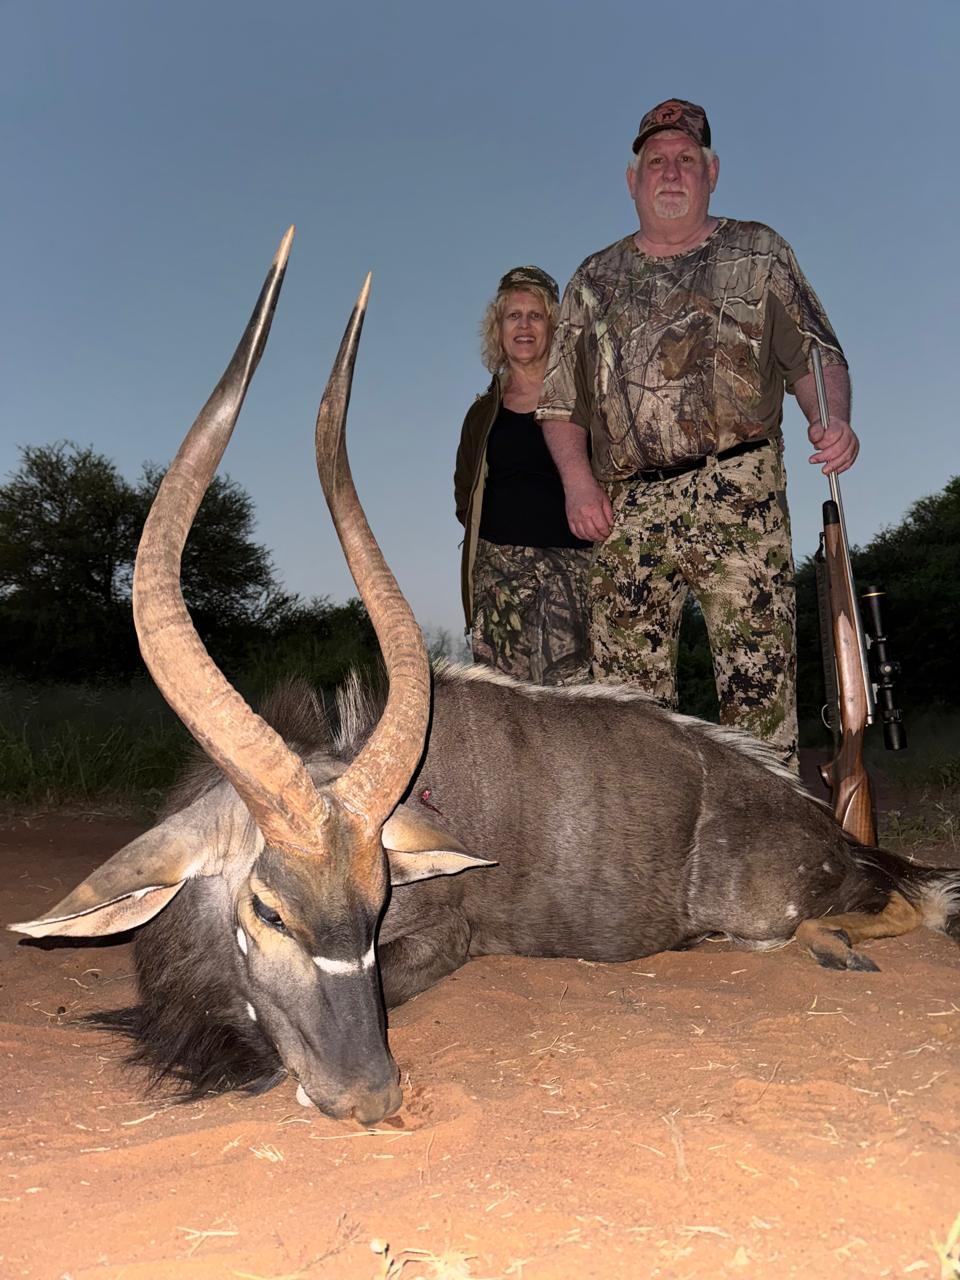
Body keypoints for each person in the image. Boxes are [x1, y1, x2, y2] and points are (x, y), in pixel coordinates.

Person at [537, 98, 858, 768]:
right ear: (633, 180)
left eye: (686, 158)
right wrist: (577, 483)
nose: (671, 171)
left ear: (712, 172)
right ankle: (646, 832)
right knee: (626, 708)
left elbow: (815, 356)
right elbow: (562, 402)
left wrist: (831, 420)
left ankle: (768, 826)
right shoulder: (592, 280)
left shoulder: (759, 251)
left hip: (740, 496)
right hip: (626, 507)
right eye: (656, 160)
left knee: (758, 691)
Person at [454, 266, 593, 685]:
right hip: (498, 578)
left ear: (554, 327)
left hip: (572, 571)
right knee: (502, 704)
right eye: (513, 316)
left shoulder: (587, 398)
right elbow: (464, 495)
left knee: (570, 700)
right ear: (498, 329)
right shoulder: (482, 412)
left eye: (536, 316)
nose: (524, 326)